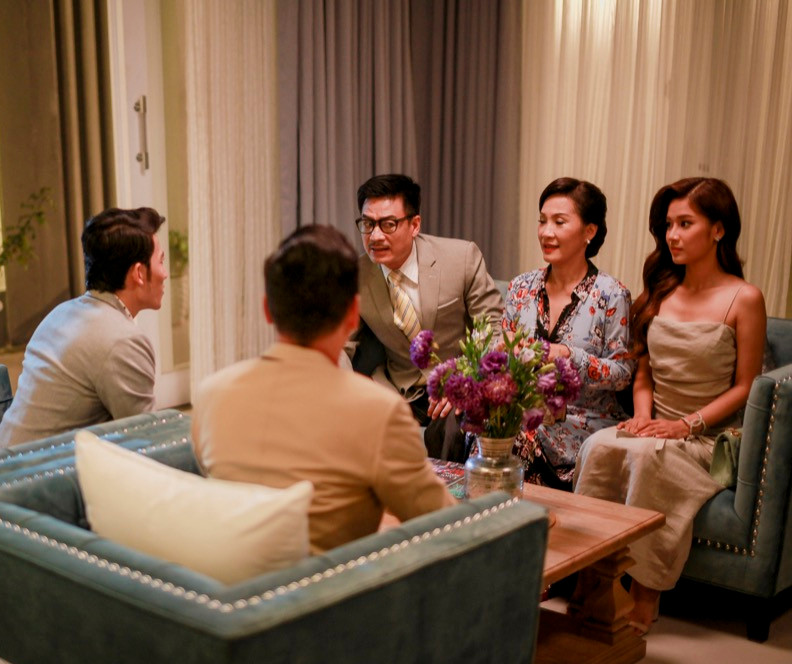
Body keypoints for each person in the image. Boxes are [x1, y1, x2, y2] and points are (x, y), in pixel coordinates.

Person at [574, 177, 766, 634]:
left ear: (718, 229)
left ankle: (646, 594)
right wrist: (642, 416)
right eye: (667, 226)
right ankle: (590, 581)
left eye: (685, 224)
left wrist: (686, 425)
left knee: (650, 459)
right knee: (598, 446)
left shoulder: (744, 298)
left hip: (707, 437)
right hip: (654, 425)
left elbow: (747, 386)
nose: (672, 236)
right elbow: (643, 372)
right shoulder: (660, 293)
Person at [193, 224, 453, 553]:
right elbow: (445, 524)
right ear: (353, 314)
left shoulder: (210, 395)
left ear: (267, 310)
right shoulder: (378, 412)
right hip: (333, 584)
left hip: (231, 580)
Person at [348, 174, 503, 460]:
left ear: (415, 225)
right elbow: (337, 346)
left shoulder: (461, 258)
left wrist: (467, 381)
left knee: (451, 426)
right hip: (397, 390)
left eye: (388, 224)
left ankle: (443, 490)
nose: (375, 236)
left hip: (456, 385)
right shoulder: (355, 276)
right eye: (367, 224)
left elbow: (494, 329)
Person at [0, 207, 167, 450]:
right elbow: (150, 440)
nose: (165, 274)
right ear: (139, 273)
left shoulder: (60, 313)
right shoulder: (123, 341)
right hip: (39, 472)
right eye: (161, 261)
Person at [503, 178, 635, 489]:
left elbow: (622, 373)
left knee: (514, 441)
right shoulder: (520, 288)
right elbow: (503, 353)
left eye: (559, 222)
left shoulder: (612, 294)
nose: (546, 232)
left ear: (590, 231)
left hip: (582, 425)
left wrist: (568, 355)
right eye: (542, 221)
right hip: (524, 417)